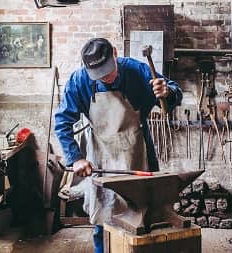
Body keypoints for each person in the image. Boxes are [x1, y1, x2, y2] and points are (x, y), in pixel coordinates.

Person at [55, 38, 182, 253]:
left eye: (109, 71)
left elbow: (173, 93)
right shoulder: (79, 80)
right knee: (102, 217)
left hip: (136, 151)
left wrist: (167, 92)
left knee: (144, 216)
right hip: (101, 155)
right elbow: (62, 121)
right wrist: (75, 157)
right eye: (99, 75)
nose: (106, 78)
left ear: (115, 53)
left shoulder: (138, 70)